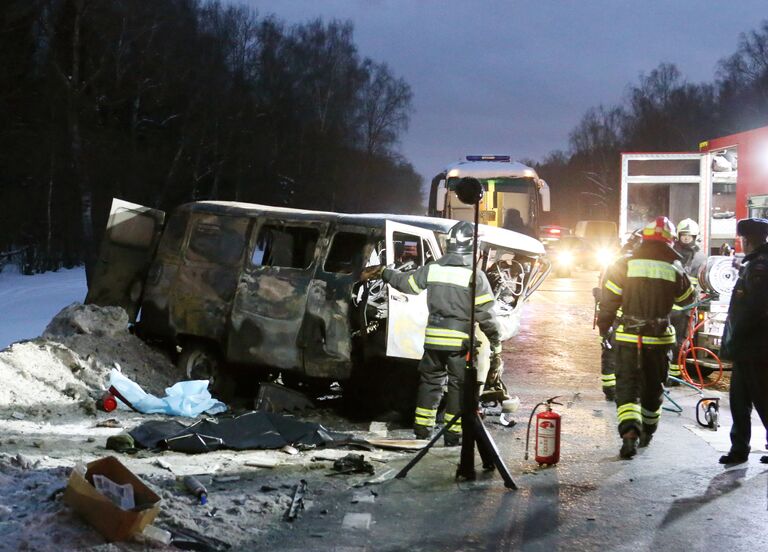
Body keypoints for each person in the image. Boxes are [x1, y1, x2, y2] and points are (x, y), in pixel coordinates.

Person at [363, 221, 502, 446]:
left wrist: (384, 272)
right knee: (458, 387)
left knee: (429, 384)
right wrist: (496, 344)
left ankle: (422, 431)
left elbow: (406, 284)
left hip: (433, 341)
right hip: (460, 345)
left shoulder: (434, 268)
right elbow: (486, 317)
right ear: (472, 246)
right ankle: (452, 436)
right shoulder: (475, 276)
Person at [597, 217, 695, 459]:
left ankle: (629, 434)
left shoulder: (624, 265)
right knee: (653, 387)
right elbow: (687, 301)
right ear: (669, 241)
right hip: (659, 339)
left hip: (629, 337)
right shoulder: (675, 268)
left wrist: (604, 328)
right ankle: (648, 432)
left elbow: (608, 302)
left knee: (627, 386)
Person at [718, 218, 768, 465]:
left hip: (755, 348)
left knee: (761, 398)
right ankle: (739, 449)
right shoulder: (755, 265)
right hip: (746, 349)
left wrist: (737, 334)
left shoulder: (760, 267)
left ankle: (742, 448)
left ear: (747, 240)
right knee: (739, 400)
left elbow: (756, 307)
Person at [595, 229, 643, 401]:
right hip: (641, 324)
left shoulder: (620, 263)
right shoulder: (656, 264)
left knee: (612, 351)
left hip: (621, 320)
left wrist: (604, 325)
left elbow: (609, 300)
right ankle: (622, 389)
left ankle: (613, 389)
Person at [668, 218, 707, 382]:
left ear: (695, 236)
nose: (686, 238)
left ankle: (675, 374)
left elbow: (704, 281)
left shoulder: (701, 257)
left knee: (682, 343)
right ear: (678, 235)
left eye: (689, 236)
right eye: (683, 235)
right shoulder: (670, 253)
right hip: (670, 306)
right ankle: (666, 373)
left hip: (689, 308)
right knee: (667, 340)